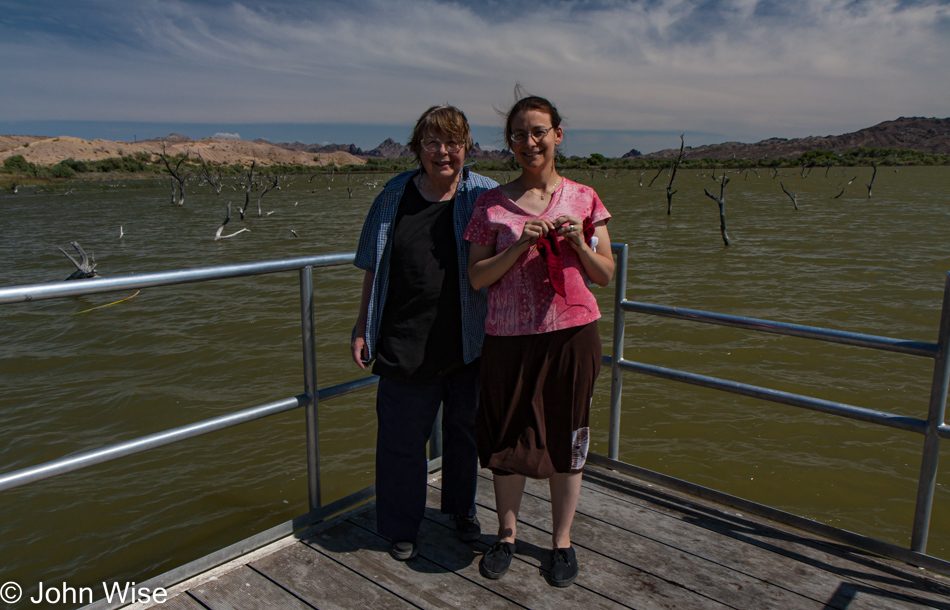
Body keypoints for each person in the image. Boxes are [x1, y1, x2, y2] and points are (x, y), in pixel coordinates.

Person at [463, 94, 614, 587]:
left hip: (573, 336)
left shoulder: (585, 198)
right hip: (507, 338)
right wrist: (523, 242)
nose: (529, 143)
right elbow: (478, 278)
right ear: (509, 143)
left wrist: (574, 241)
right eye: (518, 135)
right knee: (505, 434)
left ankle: (561, 542)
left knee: (568, 436)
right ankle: (505, 533)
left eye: (538, 132)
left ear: (557, 135)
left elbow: (605, 274)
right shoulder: (489, 204)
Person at [351, 105, 499, 561]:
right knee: (401, 441)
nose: (443, 152)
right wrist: (362, 326)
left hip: (468, 339)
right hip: (403, 338)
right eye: (432, 142)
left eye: (452, 143)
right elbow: (374, 268)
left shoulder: (485, 196)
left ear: (466, 148)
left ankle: (461, 511)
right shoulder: (393, 196)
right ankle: (401, 525)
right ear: (417, 148)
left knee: (465, 435)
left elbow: (513, 257)